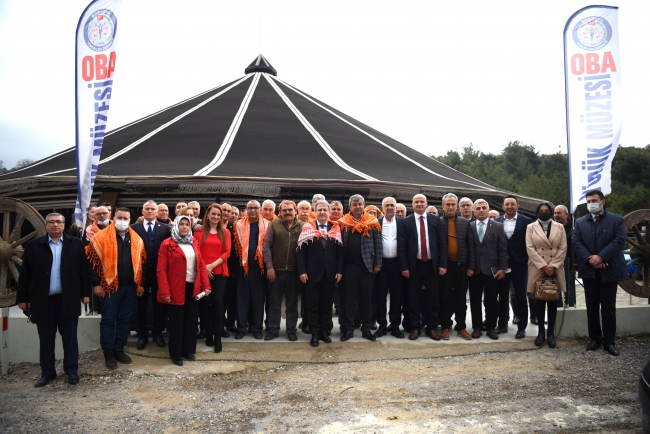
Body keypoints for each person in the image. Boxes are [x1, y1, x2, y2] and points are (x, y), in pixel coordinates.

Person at [17, 213, 90, 387]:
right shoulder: (33, 246)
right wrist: (22, 298)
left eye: (58, 222)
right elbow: (25, 274)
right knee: (46, 339)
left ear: (64, 225)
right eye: (51, 222)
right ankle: (47, 372)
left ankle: (71, 371)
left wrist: (86, 293)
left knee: (70, 339)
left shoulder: (76, 244)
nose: (55, 225)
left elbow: (83, 272)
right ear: (46, 225)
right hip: (43, 301)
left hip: (68, 300)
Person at [86, 207, 146, 369]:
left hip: (130, 287)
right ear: (113, 218)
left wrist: (140, 284)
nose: (122, 221)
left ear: (130, 220)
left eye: (126, 218)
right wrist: (96, 284)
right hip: (109, 287)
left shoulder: (136, 239)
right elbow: (92, 263)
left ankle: (119, 349)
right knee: (108, 320)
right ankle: (108, 352)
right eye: (120, 217)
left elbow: (141, 264)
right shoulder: (100, 237)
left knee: (124, 320)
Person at [573, 190, 627, 356]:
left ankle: (609, 341)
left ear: (603, 202)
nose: (591, 204)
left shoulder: (616, 220)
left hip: (609, 269)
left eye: (594, 200)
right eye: (588, 201)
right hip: (589, 270)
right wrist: (592, 259)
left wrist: (601, 257)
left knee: (608, 308)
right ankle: (595, 338)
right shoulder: (580, 222)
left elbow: (619, 241)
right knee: (591, 307)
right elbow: (577, 242)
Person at [157, 215, 211, 365]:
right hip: (176, 288)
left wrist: (206, 285)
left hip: (194, 288)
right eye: (182, 224)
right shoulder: (167, 244)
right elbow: (161, 270)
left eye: (187, 224)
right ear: (176, 226)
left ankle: (188, 351)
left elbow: (201, 264)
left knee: (191, 321)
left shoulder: (193, 241)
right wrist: (165, 291)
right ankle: (176, 355)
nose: (185, 227)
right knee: (177, 322)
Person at [398, 194, 447, 341]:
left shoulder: (436, 220)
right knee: (413, 298)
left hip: (432, 265)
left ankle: (431, 327)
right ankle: (415, 327)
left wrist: (442, 264)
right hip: (414, 266)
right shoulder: (406, 222)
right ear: (412, 204)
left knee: (433, 297)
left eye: (422, 202)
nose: (419, 204)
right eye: (416, 202)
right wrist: (404, 267)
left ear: (426, 203)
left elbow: (442, 243)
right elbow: (402, 246)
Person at [297, 200, 343, 347]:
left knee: (326, 305)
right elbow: (301, 253)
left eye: (325, 210)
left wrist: (339, 271)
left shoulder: (335, 228)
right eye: (319, 210)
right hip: (311, 274)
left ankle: (324, 331)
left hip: (330, 274)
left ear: (328, 212)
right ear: (315, 212)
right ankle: (314, 333)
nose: (322, 212)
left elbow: (339, 253)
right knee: (312, 305)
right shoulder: (307, 228)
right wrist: (302, 271)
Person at [338, 194, 382, 341]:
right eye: (354, 205)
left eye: (360, 204)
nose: (357, 207)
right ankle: (348, 329)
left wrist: (378, 263)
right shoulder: (343, 223)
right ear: (350, 207)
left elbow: (378, 243)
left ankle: (366, 329)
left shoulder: (372, 222)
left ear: (364, 206)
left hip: (366, 267)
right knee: (349, 300)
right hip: (348, 267)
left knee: (366, 299)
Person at [131, 200, 172, 350]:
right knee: (140, 304)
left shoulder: (165, 229)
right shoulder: (133, 228)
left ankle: (157, 333)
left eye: (152, 209)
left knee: (159, 304)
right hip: (140, 272)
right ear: (142, 212)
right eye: (147, 209)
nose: (149, 211)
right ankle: (142, 334)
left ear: (156, 212)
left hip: (159, 272)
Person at [525, 202, 567, 348]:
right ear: (537, 213)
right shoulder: (530, 227)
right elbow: (530, 248)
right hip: (538, 267)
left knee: (553, 299)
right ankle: (541, 332)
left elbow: (563, 248)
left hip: (555, 268)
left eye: (547, 210)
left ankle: (551, 333)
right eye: (541, 211)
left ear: (551, 212)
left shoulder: (559, 227)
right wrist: (543, 266)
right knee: (539, 300)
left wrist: (553, 266)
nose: (544, 213)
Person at [262, 200, 305, 341]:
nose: (287, 212)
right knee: (274, 302)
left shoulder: (303, 226)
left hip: (294, 271)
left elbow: (305, 249)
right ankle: (273, 330)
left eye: (290, 210)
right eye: (284, 210)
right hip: (276, 271)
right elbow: (266, 246)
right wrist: (269, 267)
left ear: (295, 211)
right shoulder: (274, 225)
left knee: (292, 303)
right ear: (280, 212)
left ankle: (291, 330)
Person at [469, 199, 508, 340]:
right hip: (475, 270)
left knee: (491, 300)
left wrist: (503, 268)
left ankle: (491, 327)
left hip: (492, 270)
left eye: (483, 208)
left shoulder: (498, 226)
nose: (481, 210)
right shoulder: (470, 226)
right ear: (474, 211)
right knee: (475, 300)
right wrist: (469, 267)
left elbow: (503, 249)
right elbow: (468, 248)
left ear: (488, 209)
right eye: (478, 208)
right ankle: (477, 327)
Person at [495, 195, 533, 337]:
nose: (509, 206)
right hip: (502, 265)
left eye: (512, 204)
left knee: (521, 296)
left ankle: (522, 327)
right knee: (502, 296)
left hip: (520, 265)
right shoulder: (497, 221)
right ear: (503, 206)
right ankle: (502, 324)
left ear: (518, 206)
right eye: (507, 204)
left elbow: (530, 242)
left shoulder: (527, 222)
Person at [439, 193, 475, 340]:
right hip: (445, 266)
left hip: (461, 266)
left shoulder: (465, 223)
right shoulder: (438, 222)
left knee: (461, 297)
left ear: (457, 206)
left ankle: (461, 327)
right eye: (447, 204)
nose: (450, 207)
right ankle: (445, 326)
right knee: (445, 297)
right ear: (443, 206)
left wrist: (471, 267)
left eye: (453, 204)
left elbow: (470, 246)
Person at [234, 200, 270, 339]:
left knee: (258, 301)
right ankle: (241, 328)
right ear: (246, 210)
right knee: (242, 300)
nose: (253, 210)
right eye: (250, 208)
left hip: (260, 269)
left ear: (260, 210)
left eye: (256, 208)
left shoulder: (267, 225)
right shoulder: (237, 225)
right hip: (242, 269)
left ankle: (256, 328)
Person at [375, 197, 406, 339]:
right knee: (380, 296)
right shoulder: (376, 223)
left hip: (397, 265)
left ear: (395, 207)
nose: (389, 208)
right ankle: (382, 326)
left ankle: (395, 326)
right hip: (381, 265)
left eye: (392, 205)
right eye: (387, 205)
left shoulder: (402, 223)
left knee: (396, 297)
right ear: (382, 208)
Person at [222, 202, 240, 334]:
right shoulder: (210, 226)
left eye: (229, 211)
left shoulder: (234, 227)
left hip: (231, 269)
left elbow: (236, 250)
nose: (227, 213)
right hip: (216, 268)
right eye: (224, 210)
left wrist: (234, 269)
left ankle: (230, 323)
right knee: (219, 299)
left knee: (232, 298)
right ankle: (218, 323)